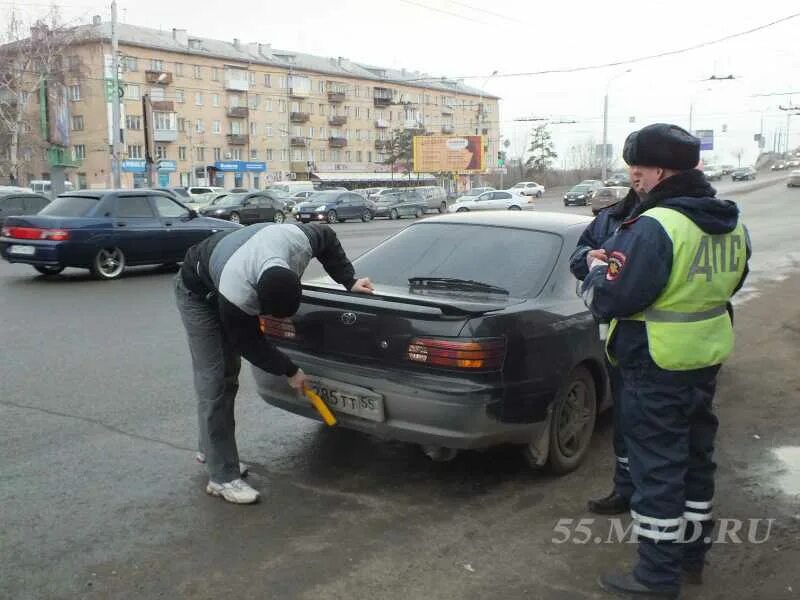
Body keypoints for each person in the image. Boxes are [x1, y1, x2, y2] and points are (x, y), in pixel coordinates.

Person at [581, 123, 750, 598]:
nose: (633, 175)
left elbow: (611, 299)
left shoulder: (656, 226)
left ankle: (656, 577)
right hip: (705, 358)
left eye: (637, 167)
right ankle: (692, 559)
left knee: (657, 469)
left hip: (653, 363)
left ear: (657, 171)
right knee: (697, 460)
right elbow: (732, 284)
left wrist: (595, 272)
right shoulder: (732, 223)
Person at [175, 222, 374, 504]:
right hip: (198, 294)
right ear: (256, 294)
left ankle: (211, 449)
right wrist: (290, 370)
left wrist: (349, 280)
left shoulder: (299, 242)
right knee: (216, 380)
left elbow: (328, 237)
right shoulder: (238, 288)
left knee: (227, 376)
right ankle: (222, 477)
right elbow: (248, 342)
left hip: (227, 262)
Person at [569, 185, 642, 516]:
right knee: (626, 419)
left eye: (645, 165)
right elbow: (579, 256)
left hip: (667, 347)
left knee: (664, 430)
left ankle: (660, 502)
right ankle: (626, 489)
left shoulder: (668, 222)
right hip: (621, 341)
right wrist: (588, 259)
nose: (637, 174)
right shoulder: (611, 218)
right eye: (633, 166)